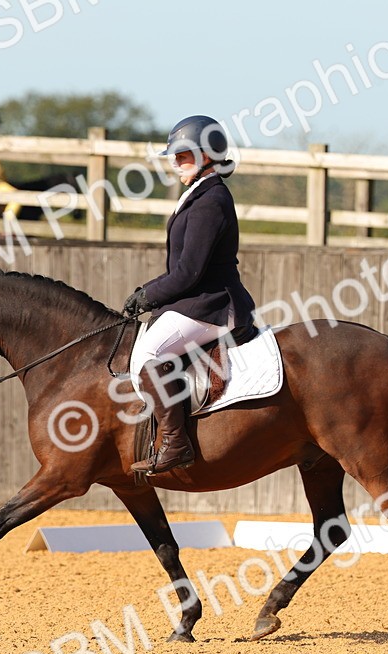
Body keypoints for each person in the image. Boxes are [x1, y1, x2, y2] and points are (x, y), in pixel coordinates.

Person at [122, 116, 257, 475]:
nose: (176, 161)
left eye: (183, 155)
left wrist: (148, 294)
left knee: (151, 354)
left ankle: (176, 444)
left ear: (207, 156)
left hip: (214, 304)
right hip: (197, 301)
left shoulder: (211, 200)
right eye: (175, 156)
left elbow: (189, 272)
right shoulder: (198, 194)